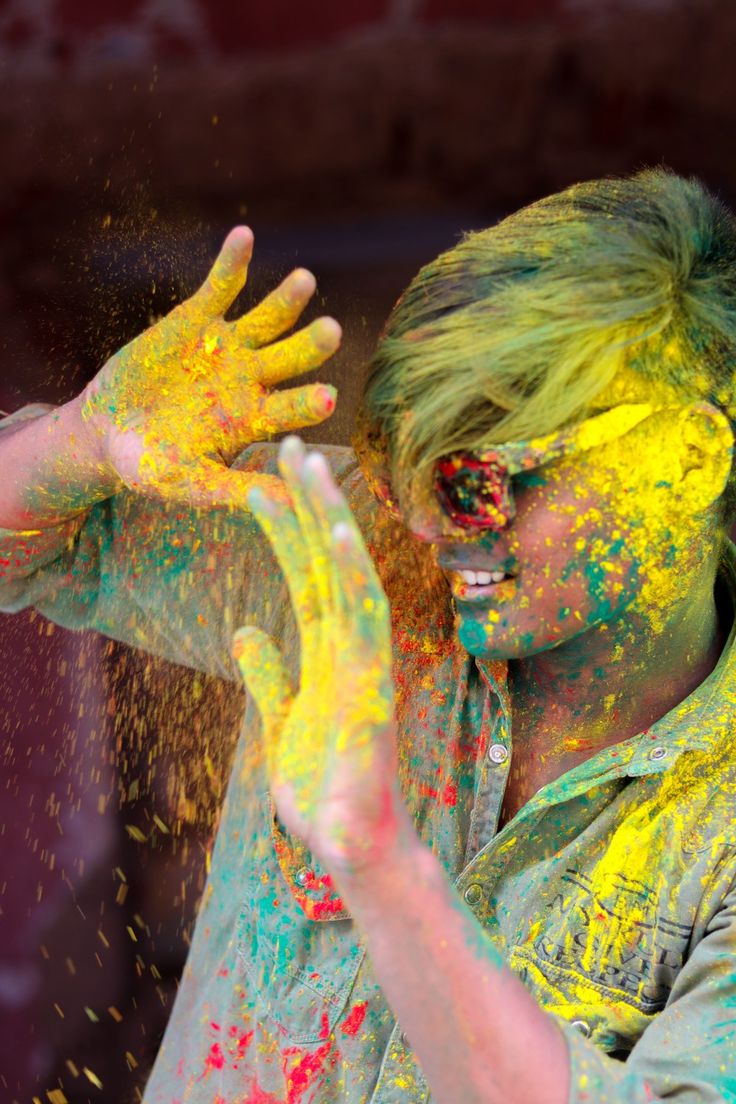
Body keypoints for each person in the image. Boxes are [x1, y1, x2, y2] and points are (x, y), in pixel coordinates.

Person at [1, 167, 735, 1104]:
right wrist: (82, 442)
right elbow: (30, 550)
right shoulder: (350, 554)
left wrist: (380, 863)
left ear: (690, 455)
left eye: (475, 482)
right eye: (405, 479)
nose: (432, 531)